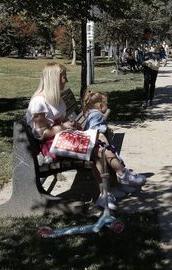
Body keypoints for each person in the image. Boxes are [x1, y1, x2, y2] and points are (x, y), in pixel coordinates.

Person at [26, 64, 118, 209]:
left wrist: (70, 124)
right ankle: (107, 191)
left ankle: (110, 189)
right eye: (63, 76)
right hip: (52, 148)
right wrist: (63, 126)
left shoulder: (56, 99)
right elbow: (40, 134)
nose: (66, 79)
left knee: (99, 143)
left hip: (63, 140)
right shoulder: (39, 102)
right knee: (95, 150)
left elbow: (61, 122)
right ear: (54, 79)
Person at [82, 90, 146, 189]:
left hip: (96, 143)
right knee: (110, 155)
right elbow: (94, 129)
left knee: (110, 155)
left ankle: (116, 185)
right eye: (106, 103)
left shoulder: (93, 113)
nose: (107, 105)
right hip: (98, 144)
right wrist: (104, 131)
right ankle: (124, 174)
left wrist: (106, 128)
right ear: (99, 105)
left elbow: (97, 127)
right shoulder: (97, 114)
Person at [140, 28, 159, 107]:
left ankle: (151, 99)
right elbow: (139, 53)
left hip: (155, 64)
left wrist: (164, 59)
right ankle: (145, 100)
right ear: (144, 34)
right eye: (147, 33)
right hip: (146, 64)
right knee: (146, 82)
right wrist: (141, 62)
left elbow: (160, 51)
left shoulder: (156, 43)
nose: (148, 35)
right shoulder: (142, 43)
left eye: (150, 33)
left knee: (153, 83)